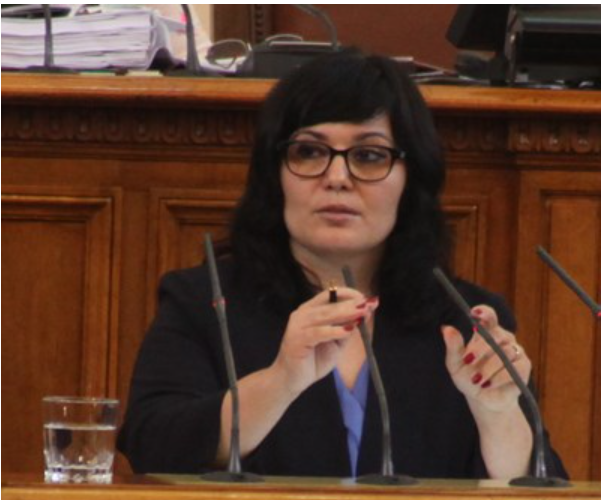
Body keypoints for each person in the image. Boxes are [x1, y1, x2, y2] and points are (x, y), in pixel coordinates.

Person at [117, 49, 567, 480]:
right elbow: (151, 448)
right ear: (275, 175)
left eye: (369, 156)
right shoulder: (205, 301)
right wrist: (280, 381)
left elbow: (539, 486)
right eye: (309, 152)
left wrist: (497, 414)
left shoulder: (466, 320)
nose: (336, 178)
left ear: (411, 179)